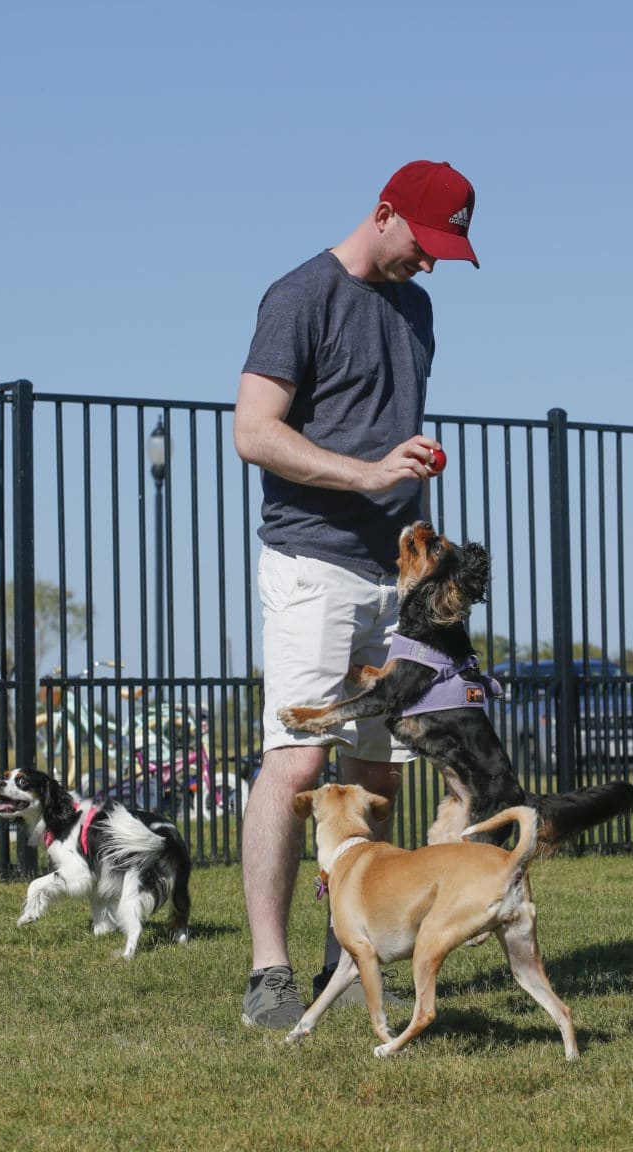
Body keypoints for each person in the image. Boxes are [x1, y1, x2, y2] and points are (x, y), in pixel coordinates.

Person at [233, 160, 480, 1028]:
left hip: (395, 580)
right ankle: (270, 969)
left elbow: (389, 436)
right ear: (382, 214)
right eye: (426, 241)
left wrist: (425, 561)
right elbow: (253, 434)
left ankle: (353, 944)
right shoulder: (300, 296)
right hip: (313, 563)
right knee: (297, 759)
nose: (434, 261)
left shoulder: (417, 309)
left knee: (374, 771)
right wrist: (368, 472)